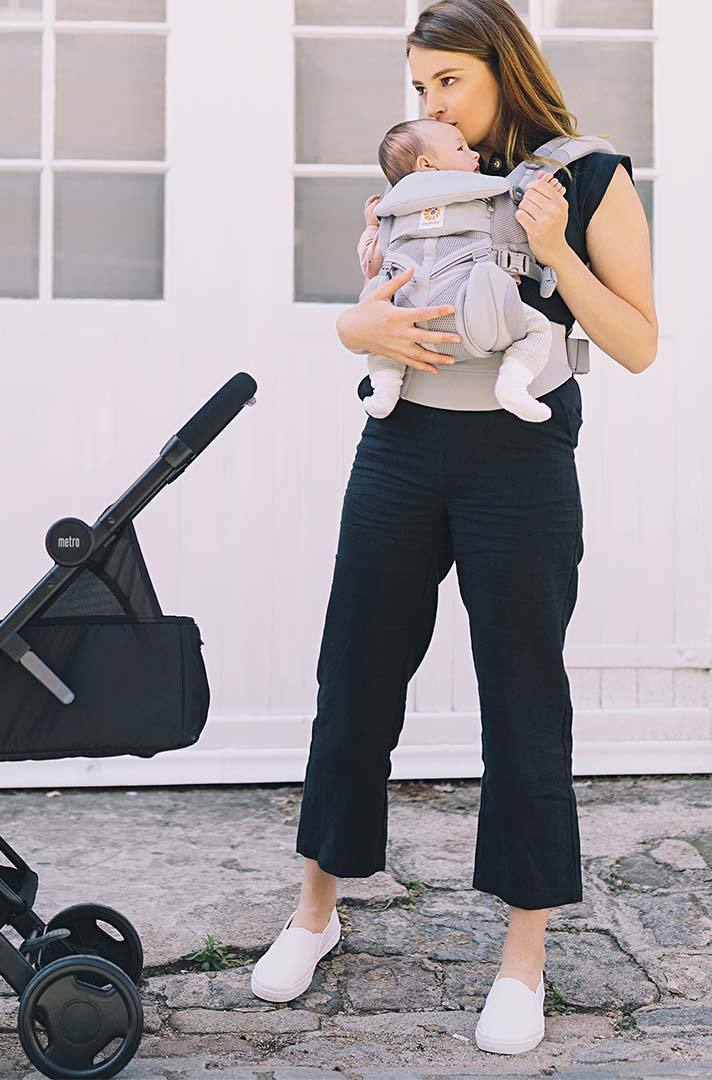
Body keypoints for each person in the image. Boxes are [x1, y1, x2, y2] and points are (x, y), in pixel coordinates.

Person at [250, 0, 656, 1058]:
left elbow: (639, 342)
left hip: (518, 463)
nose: (431, 105)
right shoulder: (418, 177)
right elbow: (360, 306)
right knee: (357, 677)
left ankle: (522, 960)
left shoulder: (590, 174)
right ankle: (314, 913)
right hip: (401, 452)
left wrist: (558, 255)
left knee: (524, 694)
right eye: (420, 88)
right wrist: (359, 325)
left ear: (503, 69)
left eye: (448, 84)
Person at [360, 118, 561, 422]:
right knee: (537, 328)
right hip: (471, 318)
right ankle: (513, 384)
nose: (475, 154)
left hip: (408, 325)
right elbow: (517, 237)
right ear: (427, 164)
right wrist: (538, 197)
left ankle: (386, 385)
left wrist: (372, 225)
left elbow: (374, 263)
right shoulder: (488, 197)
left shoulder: (394, 210)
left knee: (383, 335)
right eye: (461, 147)